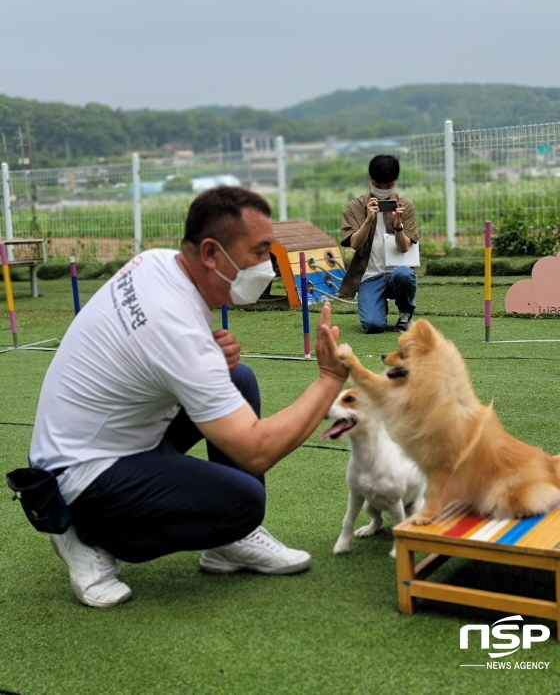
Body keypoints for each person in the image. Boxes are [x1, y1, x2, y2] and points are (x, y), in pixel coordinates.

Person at [29, 186, 348, 608]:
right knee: (243, 503)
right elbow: (256, 450)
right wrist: (328, 379)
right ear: (212, 253)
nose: (266, 265)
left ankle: (227, 545)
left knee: (240, 380)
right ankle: (85, 533)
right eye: (257, 252)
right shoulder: (176, 331)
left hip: (96, 436)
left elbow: (151, 350)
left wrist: (204, 355)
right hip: (79, 473)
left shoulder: (157, 262)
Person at [338, 154, 419, 333]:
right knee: (373, 326)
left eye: (388, 185)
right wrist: (368, 220)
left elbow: (404, 247)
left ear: (395, 182)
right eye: (377, 185)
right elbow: (355, 244)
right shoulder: (355, 207)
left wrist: (398, 225)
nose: (382, 189)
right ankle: (377, 306)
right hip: (369, 277)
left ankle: (406, 311)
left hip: (396, 272)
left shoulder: (405, 206)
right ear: (370, 180)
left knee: (404, 274)